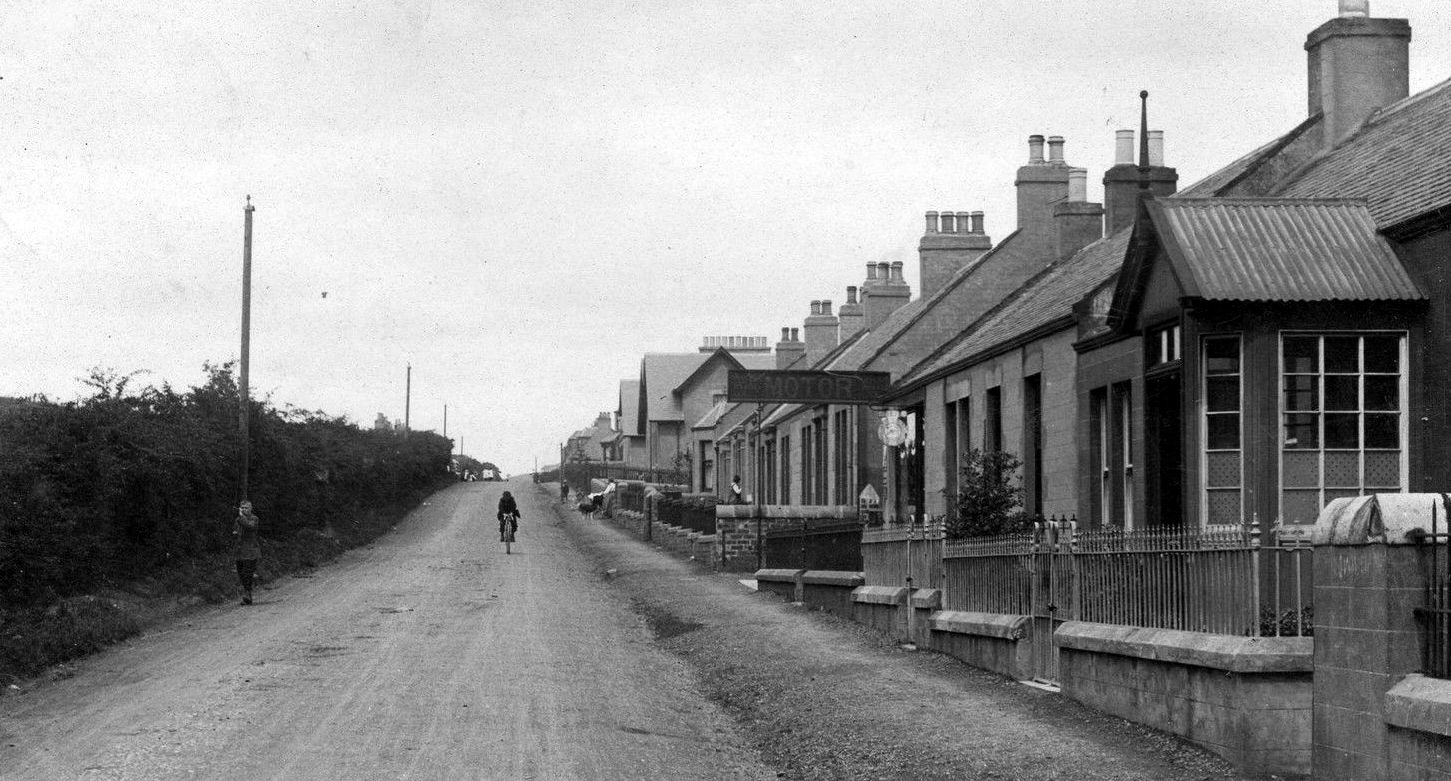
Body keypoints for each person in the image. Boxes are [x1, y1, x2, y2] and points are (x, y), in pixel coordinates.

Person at [233, 500, 261, 605]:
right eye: (242, 507)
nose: (244, 509)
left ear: (250, 509)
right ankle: (248, 593)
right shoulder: (238, 519)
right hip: (240, 551)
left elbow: (250, 526)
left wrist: (241, 517)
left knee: (246, 573)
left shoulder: (254, 518)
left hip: (251, 551)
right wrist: (235, 533)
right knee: (241, 574)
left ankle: (247, 594)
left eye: (246, 508)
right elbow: (236, 530)